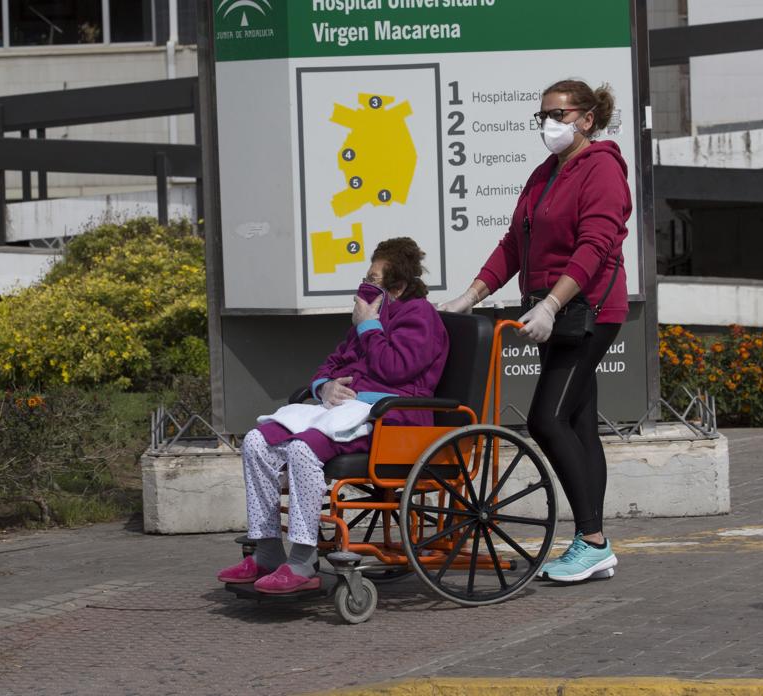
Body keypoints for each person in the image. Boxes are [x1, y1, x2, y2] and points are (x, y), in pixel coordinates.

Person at [437, 79, 631, 584]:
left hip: (587, 312)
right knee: (581, 425)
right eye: (541, 115)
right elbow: (512, 245)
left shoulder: (604, 169)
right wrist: (468, 297)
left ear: (587, 118)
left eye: (558, 114)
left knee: (547, 419)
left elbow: (594, 245)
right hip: (556, 315)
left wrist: (551, 303)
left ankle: (592, 540)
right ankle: (594, 544)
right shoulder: (546, 173)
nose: (548, 124)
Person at [218, 238, 449, 594]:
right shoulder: (368, 320)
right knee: (256, 442)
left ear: (397, 287)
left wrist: (368, 326)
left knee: (302, 450)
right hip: (346, 411)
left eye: (374, 278)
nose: (366, 284)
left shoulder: (420, 316)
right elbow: (331, 363)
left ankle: (303, 560)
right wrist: (323, 387)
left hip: (392, 418)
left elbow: (397, 368)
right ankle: (266, 551)